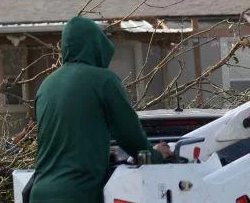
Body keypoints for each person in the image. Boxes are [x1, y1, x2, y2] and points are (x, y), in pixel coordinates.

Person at [28, 16, 172, 203]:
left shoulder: (46, 86)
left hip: (39, 193)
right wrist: (155, 155)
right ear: (96, 47)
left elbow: (62, 138)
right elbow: (130, 136)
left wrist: (101, 153)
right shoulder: (103, 81)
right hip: (78, 194)